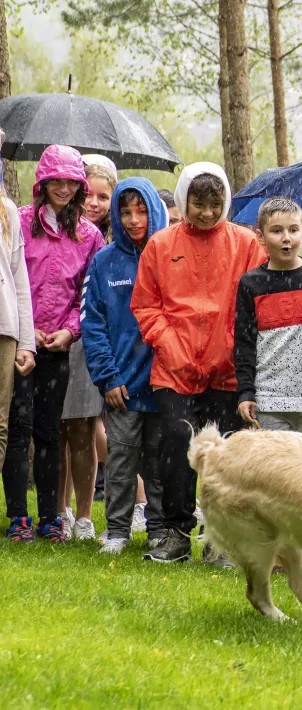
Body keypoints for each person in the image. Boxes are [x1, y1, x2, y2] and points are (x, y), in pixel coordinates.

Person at [132, 162, 267, 564]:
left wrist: (230, 349)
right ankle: (174, 532)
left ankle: (220, 537)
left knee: (225, 454)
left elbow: (254, 302)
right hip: (174, 370)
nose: (207, 212)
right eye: (198, 203)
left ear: (225, 201)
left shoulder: (245, 244)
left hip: (228, 371)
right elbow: (145, 306)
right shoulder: (160, 245)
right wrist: (174, 349)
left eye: (215, 203)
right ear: (184, 199)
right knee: (176, 444)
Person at [4, 144, 105, 542]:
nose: (63, 189)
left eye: (71, 181)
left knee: (49, 433)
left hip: (59, 348)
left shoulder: (88, 235)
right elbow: (10, 281)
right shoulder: (19, 222)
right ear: (41, 182)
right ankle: (18, 516)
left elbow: (88, 294)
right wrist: (27, 332)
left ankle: (50, 518)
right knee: (16, 428)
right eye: (56, 181)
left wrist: (69, 331)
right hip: (20, 345)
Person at [81, 178, 168, 553]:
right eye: (126, 211)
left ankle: (161, 530)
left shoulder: (170, 253)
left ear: (154, 209)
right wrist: (107, 377)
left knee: (161, 462)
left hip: (165, 382)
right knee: (120, 460)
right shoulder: (104, 261)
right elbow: (92, 323)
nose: (134, 220)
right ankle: (116, 531)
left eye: (142, 210)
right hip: (121, 385)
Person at [235, 198, 302, 439]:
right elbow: (244, 343)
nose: (286, 237)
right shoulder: (251, 283)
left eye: (293, 230)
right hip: (270, 401)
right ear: (260, 236)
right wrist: (246, 392)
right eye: (277, 231)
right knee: (275, 474)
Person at [56, 160, 117, 540]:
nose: (93, 202)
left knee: (84, 426)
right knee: (58, 429)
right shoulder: (62, 231)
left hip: (89, 337)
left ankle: (83, 514)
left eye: (102, 196)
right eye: (88, 194)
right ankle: (58, 510)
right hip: (54, 334)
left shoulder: (114, 235)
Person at [0, 164, 35, 496]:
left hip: (4, 327)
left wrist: (26, 341)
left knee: (0, 422)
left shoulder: (8, 210)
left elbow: (19, 280)